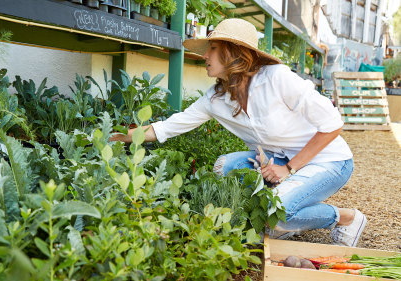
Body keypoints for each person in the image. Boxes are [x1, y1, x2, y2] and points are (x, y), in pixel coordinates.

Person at [110, 18, 366, 247]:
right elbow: (166, 128)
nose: (204, 56)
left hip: (328, 160)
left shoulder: (276, 79)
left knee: (273, 211)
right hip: (277, 162)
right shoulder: (216, 99)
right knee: (225, 167)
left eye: (211, 48)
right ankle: (286, 220)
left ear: (233, 53)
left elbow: (332, 124)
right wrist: (117, 136)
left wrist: (288, 170)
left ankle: (346, 217)